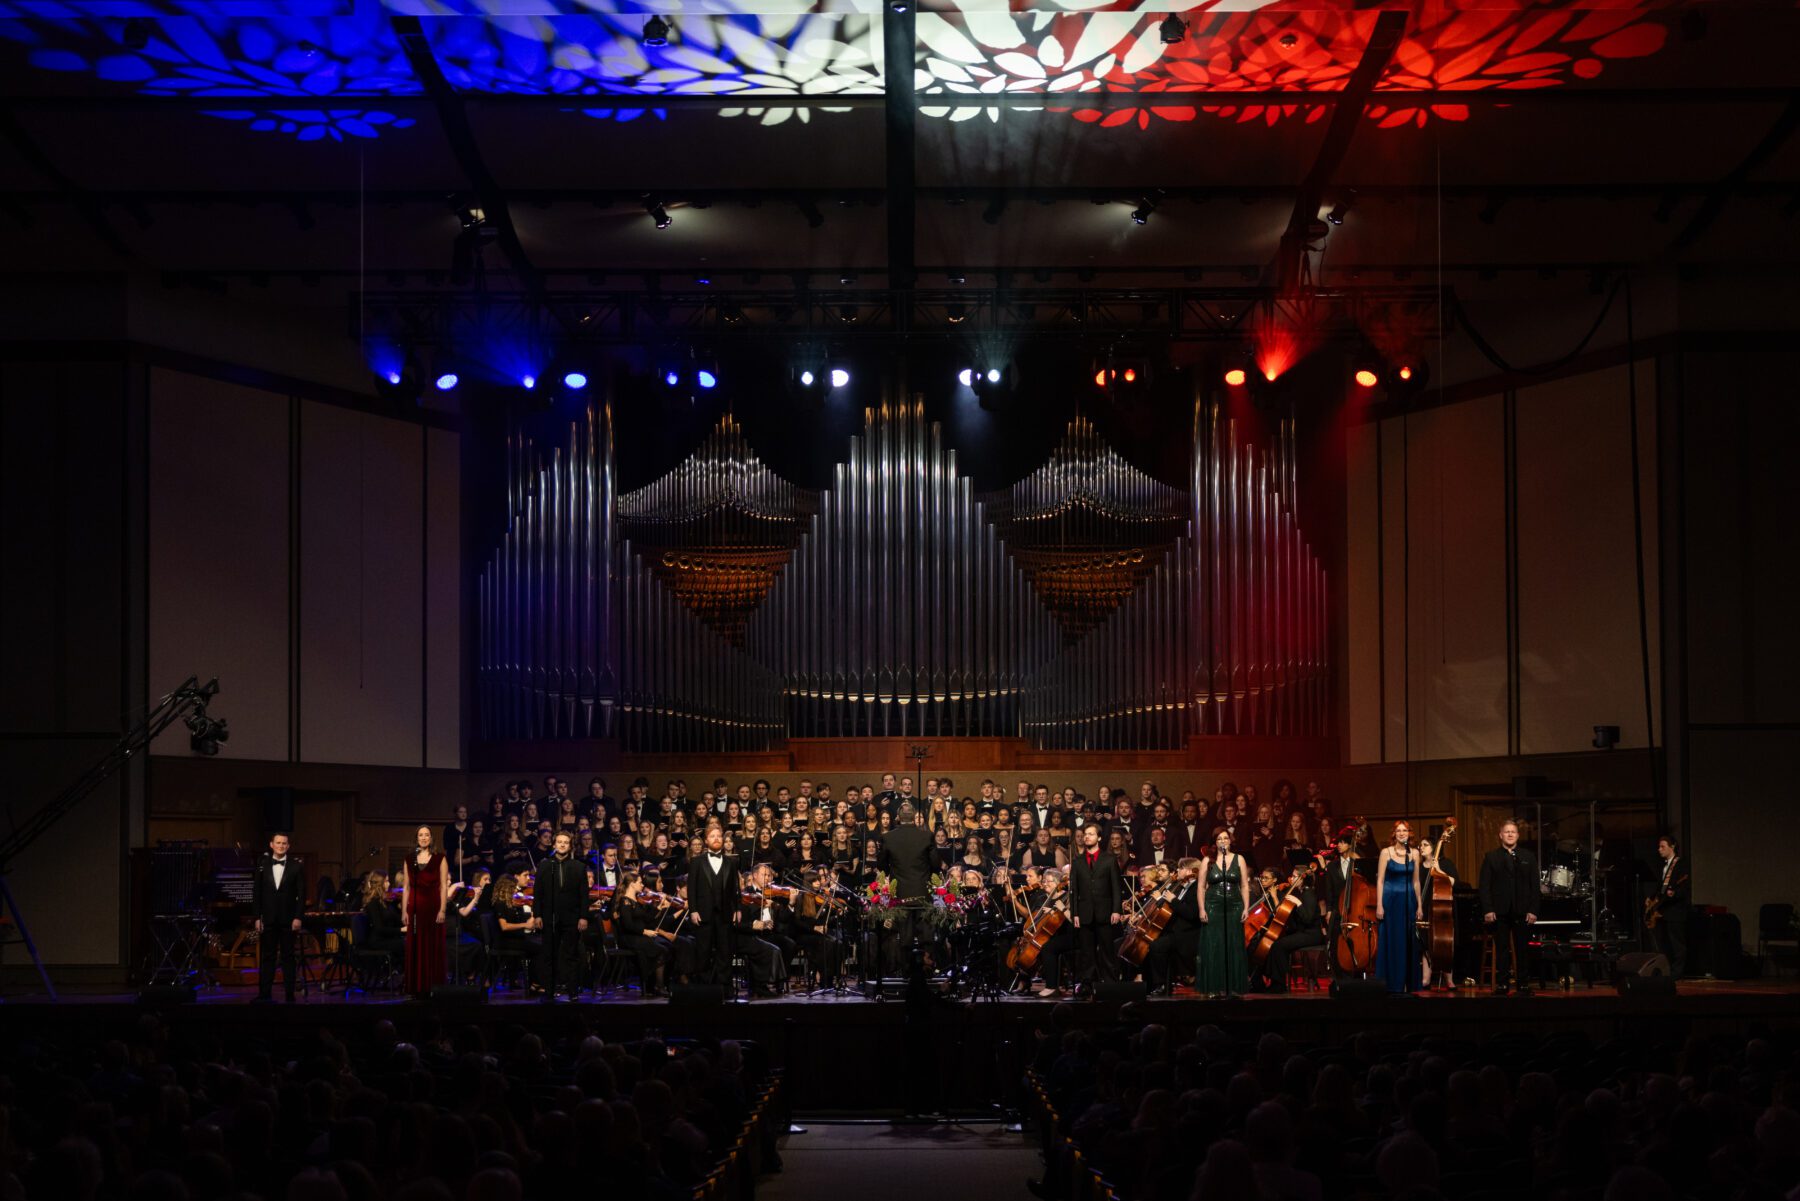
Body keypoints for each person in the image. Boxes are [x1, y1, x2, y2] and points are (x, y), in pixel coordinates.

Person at [1477, 819, 1540, 995]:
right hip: (1499, 911)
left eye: (1513, 831)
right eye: (1507, 831)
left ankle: (1523, 984)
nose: (1510, 834)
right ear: (1500, 835)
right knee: (1502, 949)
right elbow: (1484, 886)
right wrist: (1488, 909)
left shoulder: (1528, 856)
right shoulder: (1491, 857)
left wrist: (1533, 909)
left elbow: (1535, 886)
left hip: (1522, 910)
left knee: (1522, 949)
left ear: (1518, 835)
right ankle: (1503, 983)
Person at [1067, 821, 1124, 991]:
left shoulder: (1109, 859)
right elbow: (1073, 890)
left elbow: (1116, 887)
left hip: (1105, 911)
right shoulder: (1077, 862)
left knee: (1107, 949)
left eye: (1091, 834)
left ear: (1099, 837)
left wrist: (1116, 910)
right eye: (1085, 834)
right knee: (1086, 951)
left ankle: (1110, 983)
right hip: (1084, 912)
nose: (1087, 837)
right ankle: (1086, 983)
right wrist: (1075, 913)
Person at [877, 801, 936, 963]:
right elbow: (936, 864)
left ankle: (907, 972)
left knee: (905, 936)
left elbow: (881, 866)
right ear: (914, 817)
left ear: (897, 818)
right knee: (926, 936)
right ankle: (927, 969)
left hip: (901, 893)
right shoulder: (927, 836)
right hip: (922, 893)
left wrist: (891, 872)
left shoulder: (888, 837)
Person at [251, 831, 304, 1003]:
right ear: (271, 844)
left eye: (284, 843)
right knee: (267, 957)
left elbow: (302, 894)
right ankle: (264, 993)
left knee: (288, 956)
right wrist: (257, 917)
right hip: (268, 918)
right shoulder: (262, 864)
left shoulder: (296, 866)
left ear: (288, 846)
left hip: (288, 919)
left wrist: (298, 917)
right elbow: (257, 893)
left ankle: (290, 994)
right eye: (278, 842)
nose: (281, 846)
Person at [1373, 821, 1425, 993]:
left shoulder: (1415, 853)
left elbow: (1416, 881)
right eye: (1398, 830)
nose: (1402, 833)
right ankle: (1392, 984)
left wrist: (1419, 905)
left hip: (1408, 901)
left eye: (1405, 830)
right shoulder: (1385, 853)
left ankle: (1407, 983)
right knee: (1393, 941)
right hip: (1391, 901)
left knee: (1408, 942)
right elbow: (1380, 881)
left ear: (1409, 833)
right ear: (1393, 833)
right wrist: (1379, 904)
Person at [1198, 828, 1250, 997]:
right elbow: (1200, 887)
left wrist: (1246, 907)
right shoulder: (1208, 860)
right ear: (1215, 842)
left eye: (1225, 838)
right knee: (1215, 945)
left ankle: (1233, 986)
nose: (1223, 841)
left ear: (1230, 840)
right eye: (1219, 839)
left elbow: (1244, 885)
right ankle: (1214, 986)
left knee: (1233, 944)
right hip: (1213, 906)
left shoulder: (1239, 859)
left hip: (1234, 906)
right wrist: (1201, 909)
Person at [536, 831, 588, 1001]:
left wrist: (583, 916)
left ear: (570, 845)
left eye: (566, 842)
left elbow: (584, 895)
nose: (562, 845)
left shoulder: (578, 867)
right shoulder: (545, 865)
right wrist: (537, 915)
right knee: (549, 955)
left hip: (571, 918)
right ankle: (549, 991)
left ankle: (573, 991)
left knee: (571, 954)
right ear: (554, 844)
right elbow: (538, 893)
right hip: (550, 917)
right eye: (559, 842)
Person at [1255, 867, 1325, 993]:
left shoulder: (1308, 894)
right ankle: (1271, 980)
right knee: (1276, 943)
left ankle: (1279, 984)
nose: (1291, 878)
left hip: (1312, 934)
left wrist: (1298, 903)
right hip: (1302, 932)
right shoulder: (1300, 892)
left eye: (1294, 876)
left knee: (1279, 946)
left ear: (1302, 879)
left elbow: (1308, 919)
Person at [688, 825, 740, 985]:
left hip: (725, 913)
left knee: (725, 951)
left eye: (719, 836)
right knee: (703, 951)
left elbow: (735, 888)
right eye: (712, 836)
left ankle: (725, 987)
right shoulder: (697, 862)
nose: (716, 838)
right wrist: (693, 910)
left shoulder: (731, 862)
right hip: (703, 913)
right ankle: (704, 988)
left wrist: (737, 908)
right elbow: (692, 888)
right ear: (706, 841)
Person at [399, 824, 448, 998]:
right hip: (415, 909)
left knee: (433, 946)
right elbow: (406, 887)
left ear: (431, 838)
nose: (424, 838)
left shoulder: (440, 858)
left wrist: (442, 909)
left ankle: (433, 986)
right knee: (416, 946)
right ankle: (416, 986)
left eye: (427, 835)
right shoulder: (409, 859)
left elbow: (443, 886)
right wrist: (404, 911)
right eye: (421, 835)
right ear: (417, 838)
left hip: (434, 907)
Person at [1144, 858, 1202, 996]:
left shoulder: (1196, 888)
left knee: (1156, 947)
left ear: (1189, 870)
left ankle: (1162, 984)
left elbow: (1191, 913)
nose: (1178, 871)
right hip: (1174, 931)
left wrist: (1173, 900)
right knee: (1148, 943)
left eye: (1181, 868)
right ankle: (1152, 984)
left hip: (1188, 934)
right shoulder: (1180, 886)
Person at [614, 870, 673, 996]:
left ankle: (655, 985)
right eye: (640, 882)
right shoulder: (625, 902)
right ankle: (657, 985)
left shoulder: (635, 900)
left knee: (664, 948)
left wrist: (658, 907)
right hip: (628, 938)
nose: (642, 885)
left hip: (637, 936)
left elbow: (647, 919)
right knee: (661, 950)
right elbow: (627, 925)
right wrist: (645, 932)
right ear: (632, 884)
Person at [1649, 833, 1689, 977]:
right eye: (1659, 847)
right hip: (1664, 910)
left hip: (1676, 910)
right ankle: (1667, 970)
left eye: (1662, 846)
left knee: (1677, 943)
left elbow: (1684, 887)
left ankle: (1678, 972)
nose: (1659, 849)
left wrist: (1675, 893)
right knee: (1664, 942)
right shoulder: (1665, 867)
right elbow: (1662, 887)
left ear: (1672, 847)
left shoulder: (1680, 864)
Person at [359, 872, 404, 956]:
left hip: (388, 938)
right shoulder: (373, 903)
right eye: (386, 881)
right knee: (407, 944)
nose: (389, 884)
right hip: (378, 941)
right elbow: (379, 929)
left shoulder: (385, 902)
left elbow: (396, 920)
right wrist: (401, 930)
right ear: (379, 884)